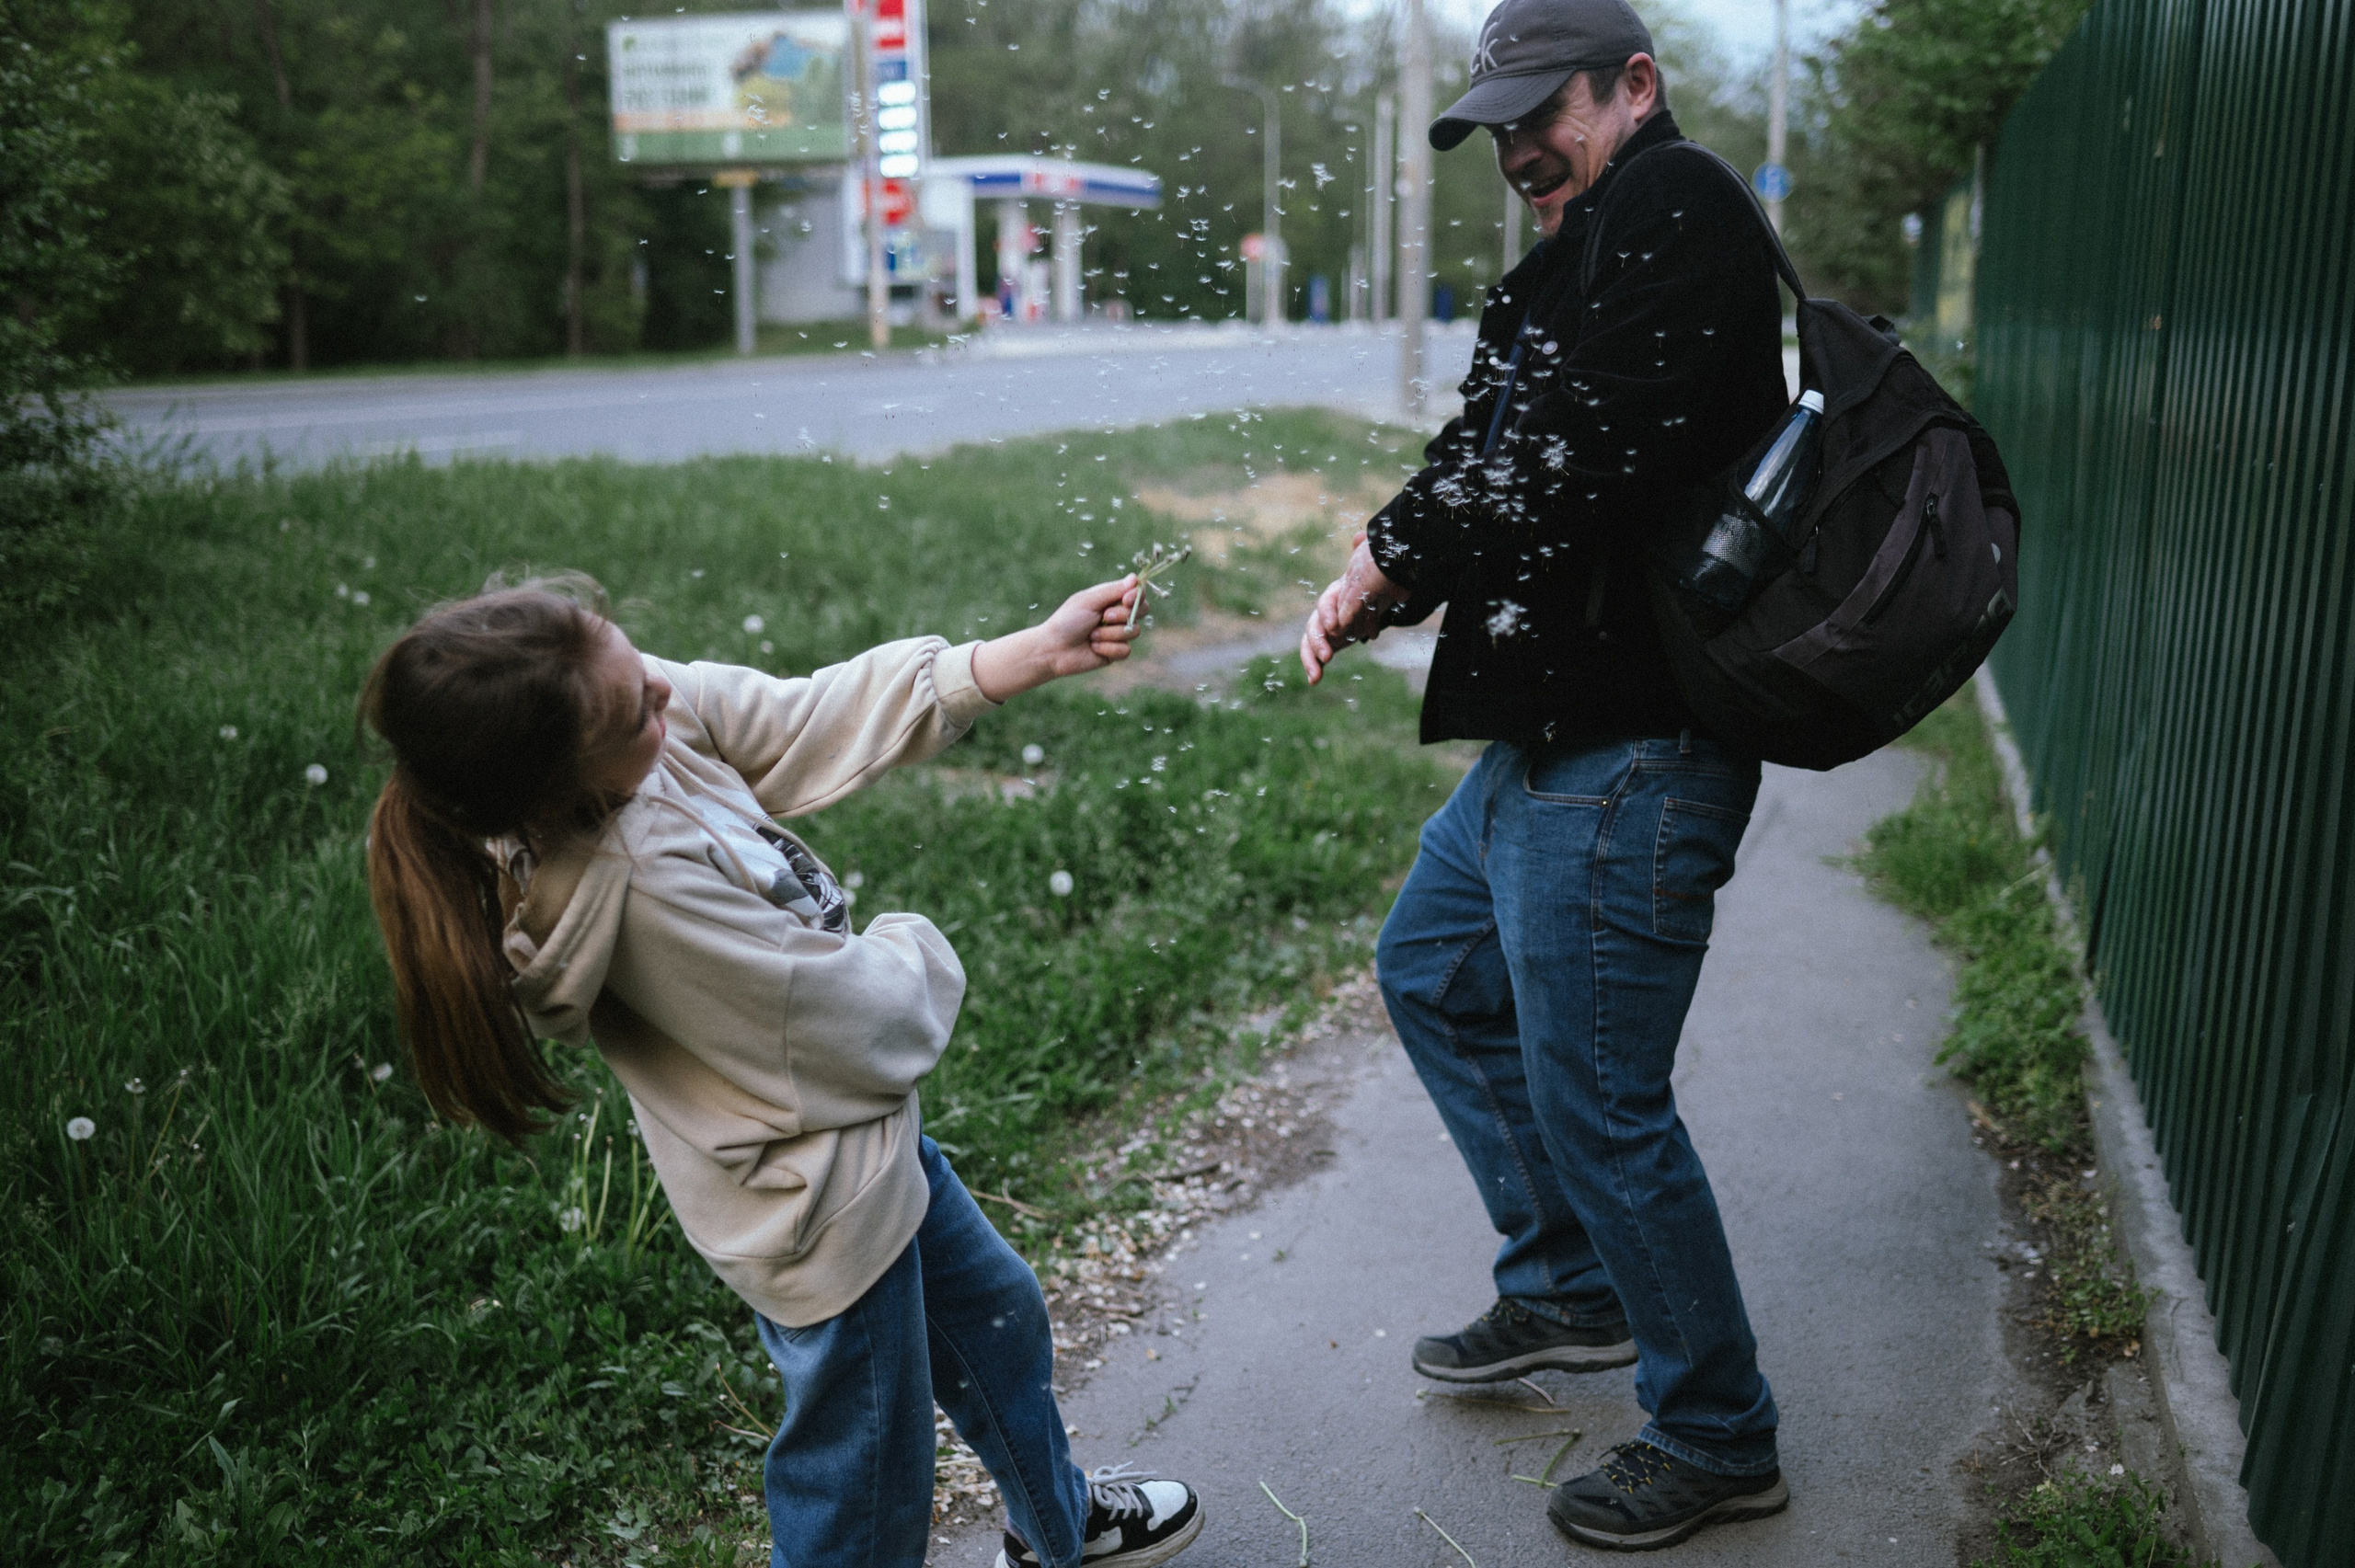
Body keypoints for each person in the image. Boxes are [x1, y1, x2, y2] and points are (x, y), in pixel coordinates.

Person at [362, 572, 1204, 1568]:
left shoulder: (618, 719)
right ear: (562, 783)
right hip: (816, 1206)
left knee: (997, 1319)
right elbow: (844, 1024)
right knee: (864, 1487)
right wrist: (910, 944)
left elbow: (794, 714)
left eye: (637, 663)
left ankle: (1055, 1524)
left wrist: (1019, 657)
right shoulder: (642, 891)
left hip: (862, 1144)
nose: (665, 697)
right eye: (637, 707)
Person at [1300, 0, 1792, 1551]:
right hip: (1553, 739)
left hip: (1635, 751)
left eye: (1545, 111)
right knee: (1435, 970)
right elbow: (1492, 443)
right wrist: (1391, 556)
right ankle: (1572, 1283)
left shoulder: (1678, 204)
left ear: (1632, 88)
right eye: (1497, 123)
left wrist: (1401, 548)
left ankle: (1715, 1429)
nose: (1519, 147)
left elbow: (1568, 449)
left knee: (1600, 1097)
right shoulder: (1585, 251)